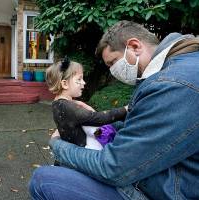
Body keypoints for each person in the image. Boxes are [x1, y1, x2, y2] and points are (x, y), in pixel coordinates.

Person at [29, 20, 199, 200]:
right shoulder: (182, 66)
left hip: (163, 191)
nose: (112, 71)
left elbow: (113, 168)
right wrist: (98, 123)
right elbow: (144, 126)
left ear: (134, 46)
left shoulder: (172, 85)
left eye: (113, 63)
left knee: (43, 180)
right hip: (166, 177)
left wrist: (58, 146)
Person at [46, 57, 127, 151]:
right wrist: (125, 109)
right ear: (65, 84)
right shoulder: (67, 106)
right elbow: (98, 118)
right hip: (81, 153)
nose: (83, 83)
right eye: (79, 79)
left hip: (73, 149)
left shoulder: (57, 104)